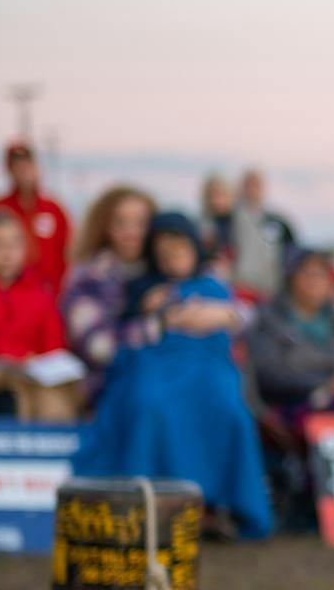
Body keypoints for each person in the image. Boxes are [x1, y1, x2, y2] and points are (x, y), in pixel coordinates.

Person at [73, 212, 271, 539]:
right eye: (163, 251)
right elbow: (107, 343)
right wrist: (162, 319)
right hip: (154, 366)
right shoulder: (141, 290)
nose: (171, 256)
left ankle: (213, 506)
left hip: (208, 368)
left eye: (178, 248)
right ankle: (152, 505)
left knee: (229, 409)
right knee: (150, 404)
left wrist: (226, 315)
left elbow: (249, 315)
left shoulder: (215, 286)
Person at [0, 211, 80, 421]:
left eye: (15, 244)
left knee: (55, 403)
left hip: (34, 378)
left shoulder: (39, 292)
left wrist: (34, 363)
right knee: (7, 399)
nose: (7, 253)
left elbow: (54, 347)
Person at [248, 250, 334, 413]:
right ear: (291, 278)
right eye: (309, 274)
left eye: (321, 275)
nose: (315, 282)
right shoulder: (268, 319)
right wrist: (323, 384)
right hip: (291, 408)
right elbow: (267, 374)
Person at [62, 185, 159, 398]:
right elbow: (97, 347)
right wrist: (157, 326)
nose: (131, 232)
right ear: (105, 227)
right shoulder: (88, 278)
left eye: (140, 224)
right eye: (121, 223)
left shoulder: (167, 271)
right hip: (111, 386)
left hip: (167, 380)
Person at [0, 140, 71, 293]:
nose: (22, 171)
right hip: (7, 297)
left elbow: (69, 253)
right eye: (16, 166)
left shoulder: (54, 209)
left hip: (50, 297)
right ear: (8, 170)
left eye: (26, 164)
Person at [230, 168, 300, 298]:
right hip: (240, 289)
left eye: (256, 185)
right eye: (248, 184)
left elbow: (293, 252)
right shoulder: (230, 218)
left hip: (270, 290)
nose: (252, 189)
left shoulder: (277, 221)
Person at [200, 174, 238, 272]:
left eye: (220, 194)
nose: (216, 200)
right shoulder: (202, 224)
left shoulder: (240, 223)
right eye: (212, 195)